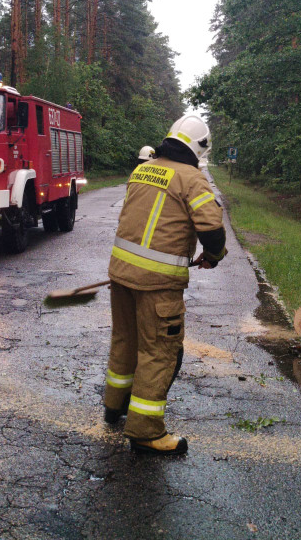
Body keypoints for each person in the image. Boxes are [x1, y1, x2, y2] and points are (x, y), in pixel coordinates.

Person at [103, 115, 228, 455]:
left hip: (121, 276)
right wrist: (214, 255)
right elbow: (212, 228)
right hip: (158, 287)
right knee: (159, 352)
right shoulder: (191, 178)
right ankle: (145, 431)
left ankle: (115, 406)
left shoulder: (143, 170)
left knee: (125, 341)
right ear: (200, 147)